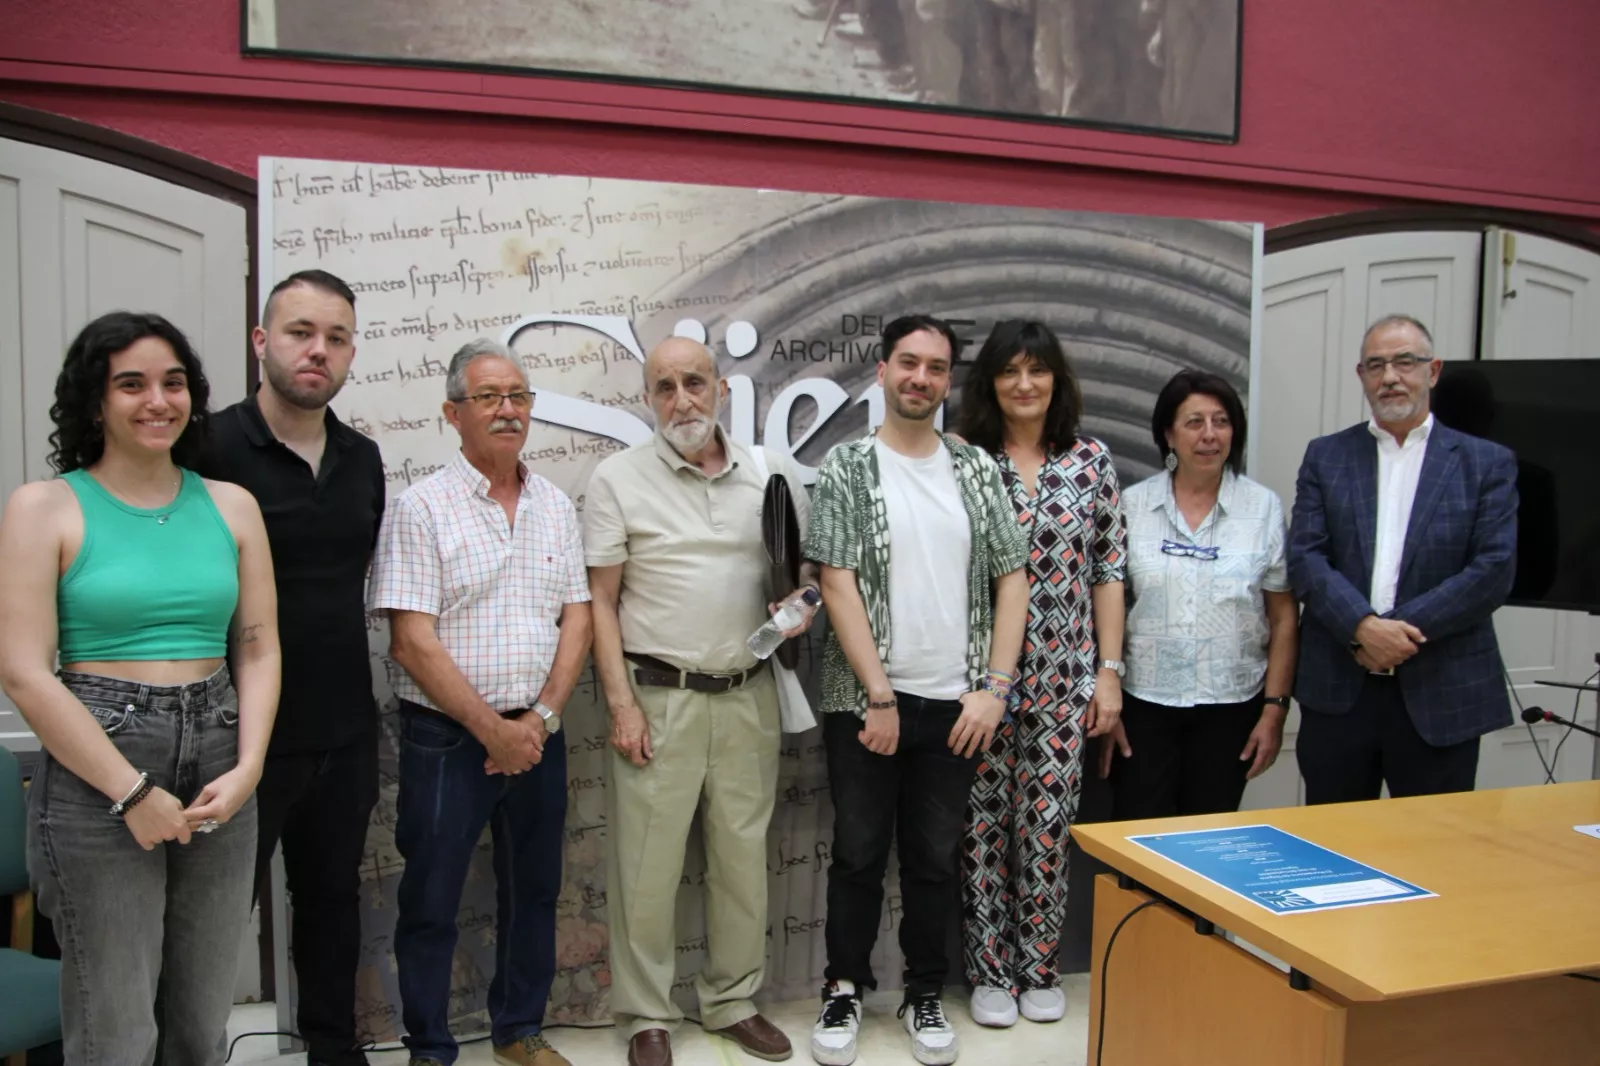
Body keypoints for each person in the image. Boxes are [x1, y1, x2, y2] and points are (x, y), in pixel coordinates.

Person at [0, 311, 280, 1066]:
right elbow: (23, 670)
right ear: (95, 402)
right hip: (100, 764)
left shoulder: (231, 505)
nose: (158, 401)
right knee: (117, 1030)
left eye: (173, 383)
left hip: (221, 753)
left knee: (199, 1022)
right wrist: (130, 792)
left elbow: (257, 646)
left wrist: (249, 767)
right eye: (131, 384)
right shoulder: (44, 507)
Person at [585, 337, 816, 1066]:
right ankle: (646, 1014)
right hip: (658, 699)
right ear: (647, 399)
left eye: (694, 382)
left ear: (720, 387)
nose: (681, 399)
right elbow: (599, 601)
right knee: (647, 869)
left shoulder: (771, 474)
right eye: (665, 387)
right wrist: (620, 706)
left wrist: (801, 605)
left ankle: (731, 1000)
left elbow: (804, 575)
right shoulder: (617, 479)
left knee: (743, 860)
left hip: (749, 693)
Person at [806, 314, 1029, 1066]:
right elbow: (836, 581)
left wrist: (994, 689)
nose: (920, 378)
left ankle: (924, 993)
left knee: (935, 860)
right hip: (868, 703)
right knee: (859, 854)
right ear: (882, 371)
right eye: (908, 363)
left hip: (958, 706)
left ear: (947, 381)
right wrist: (879, 696)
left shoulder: (975, 469)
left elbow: (1012, 577)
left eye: (935, 367)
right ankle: (844, 988)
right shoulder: (848, 466)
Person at [368, 339, 591, 1066]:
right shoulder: (421, 507)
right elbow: (411, 642)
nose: (507, 410)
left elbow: (578, 617)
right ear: (452, 413)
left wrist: (540, 719)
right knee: (431, 898)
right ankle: (431, 1048)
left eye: (519, 396)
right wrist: (492, 730)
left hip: (539, 734)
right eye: (489, 397)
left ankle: (519, 1030)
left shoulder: (554, 504)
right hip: (447, 739)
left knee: (534, 890)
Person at [201, 269, 384, 1066]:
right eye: (301, 332)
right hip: (233, 736)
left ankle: (333, 1052)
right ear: (261, 341)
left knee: (332, 902)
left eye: (336, 338)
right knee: (210, 918)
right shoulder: (206, 447)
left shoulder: (363, 457)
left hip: (344, 730)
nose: (318, 351)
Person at [954, 320, 1127, 1029]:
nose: (1024, 384)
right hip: (979, 684)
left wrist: (1108, 673)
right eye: (1009, 371)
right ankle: (989, 971)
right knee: (981, 831)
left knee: (1048, 830)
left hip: (1064, 681)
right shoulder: (964, 460)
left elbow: (1109, 569)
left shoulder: (1090, 460)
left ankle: (1039, 967)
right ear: (989, 383)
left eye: (1037, 370)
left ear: (1057, 379)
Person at [1287, 315, 1517, 803]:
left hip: (1442, 692)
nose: (1389, 376)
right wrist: (1363, 628)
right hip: (1340, 690)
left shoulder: (1485, 462)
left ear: (1433, 371)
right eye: (1376, 365)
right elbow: (1306, 556)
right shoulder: (1326, 456)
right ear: (1361, 376)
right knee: (1333, 840)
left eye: (1404, 362)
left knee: (1434, 841)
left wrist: (1396, 634)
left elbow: (1493, 570)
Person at [1100, 369, 1297, 822]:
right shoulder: (1130, 506)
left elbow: (1283, 617)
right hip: (1143, 705)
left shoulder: (1262, 508)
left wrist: (1275, 710)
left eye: (1221, 422)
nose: (1210, 434)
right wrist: (1108, 705)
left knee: (1209, 842)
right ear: (1169, 435)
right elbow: (1106, 607)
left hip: (1232, 707)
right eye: (1194, 422)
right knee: (1138, 841)